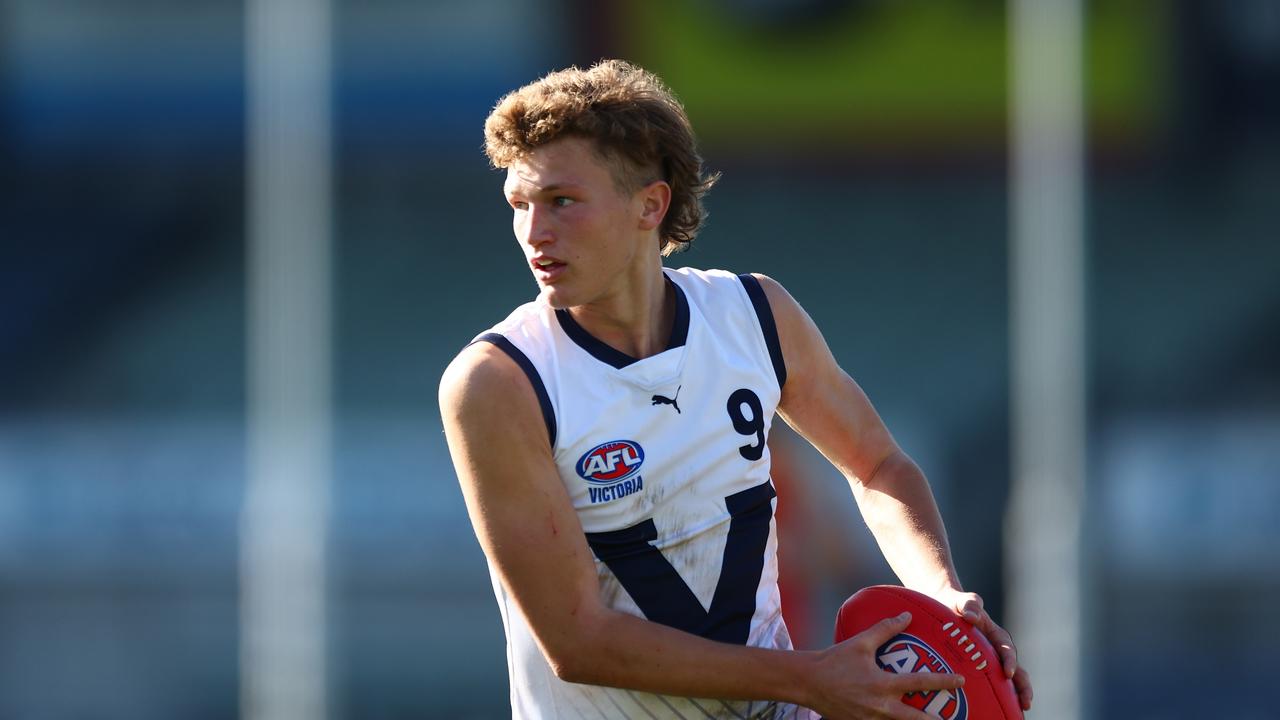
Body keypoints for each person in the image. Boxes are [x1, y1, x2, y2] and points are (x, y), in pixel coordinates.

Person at [439, 59, 1033, 719]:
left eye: (562, 201)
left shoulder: (755, 314)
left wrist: (942, 596)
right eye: (519, 205)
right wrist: (810, 679)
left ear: (650, 204)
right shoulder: (498, 383)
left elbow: (877, 465)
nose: (533, 234)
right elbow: (578, 641)